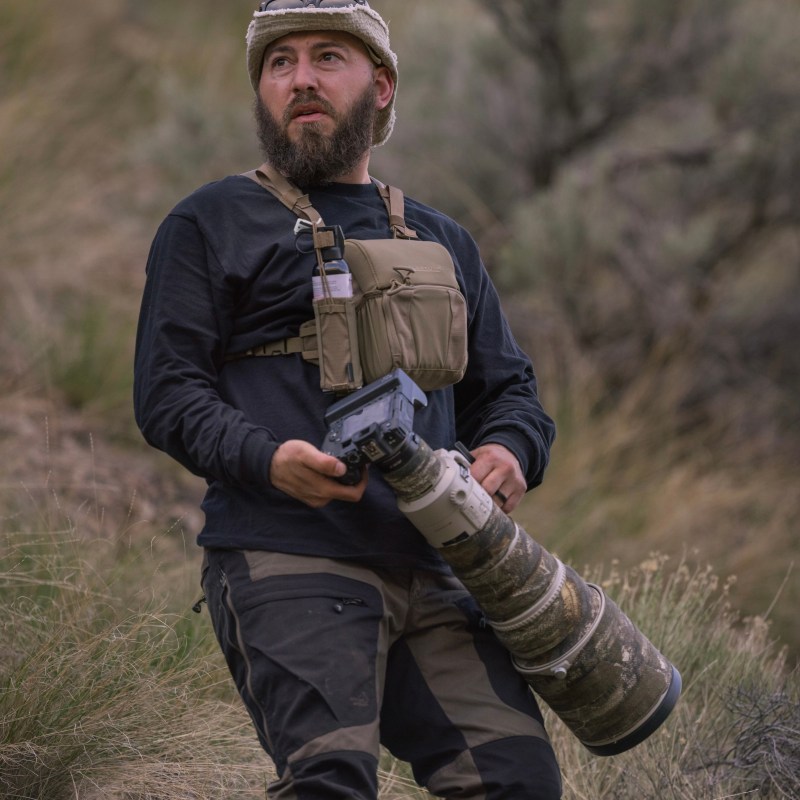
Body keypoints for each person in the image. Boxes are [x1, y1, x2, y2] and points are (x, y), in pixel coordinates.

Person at [134, 1, 561, 798]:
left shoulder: (442, 240)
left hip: (436, 567)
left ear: (383, 85)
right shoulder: (209, 222)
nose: (300, 79)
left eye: (328, 56)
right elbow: (167, 393)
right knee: (329, 781)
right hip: (287, 554)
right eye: (279, 62)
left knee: (517, 782)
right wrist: (267, 459)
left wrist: (509, 451)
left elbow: (510, 394)